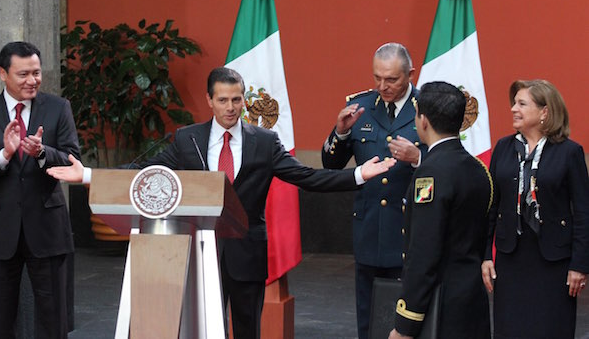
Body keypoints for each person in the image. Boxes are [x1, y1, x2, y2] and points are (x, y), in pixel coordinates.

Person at [47, 66, 396, 339]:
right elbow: (142, 171)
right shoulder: (188, 140)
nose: (231, 108)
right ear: (209, 101)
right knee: (197, 327)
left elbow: (307, 177)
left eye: (237, 100)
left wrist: (359, 174)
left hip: (246, 251)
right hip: (195, 255)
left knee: (246, 329)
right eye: (224, 100)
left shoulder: (264, 142)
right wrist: (88, 175)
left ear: (244, 100)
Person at [0, 41, 80, 339]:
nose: (32, 81)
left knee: (54, 318)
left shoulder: (58, 108)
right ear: (3, 74)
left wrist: (41, 153)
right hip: (0, 232)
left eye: (37, 73)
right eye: (23, 74)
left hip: (47, 229)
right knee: (1, 321)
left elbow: (71, 159)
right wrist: (4, 155)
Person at [321, 42, 426, 339]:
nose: (383, 86)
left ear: (410, 74)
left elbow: (450, 164)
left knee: (408, 318)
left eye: (391, 79)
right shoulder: (362, 106)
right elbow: (331, 163)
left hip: (409, 229)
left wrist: (418, 158)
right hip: (370, 227)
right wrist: (340, 132)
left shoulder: (427, 109)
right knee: (368, 317)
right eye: (377, 78)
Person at [481, 79, 589, 339]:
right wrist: (485, 255)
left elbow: (583, 213)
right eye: (514, 103)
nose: (513, 109)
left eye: (522, 104)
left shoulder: (569, 152)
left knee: (550, 329)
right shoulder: (504, 148)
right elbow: (491, 207)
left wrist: (580, 265)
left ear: (544, 112)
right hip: (511, 259)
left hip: (554, 263)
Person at [389, 81, 493, 339]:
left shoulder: (431, 173)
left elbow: (424, 251)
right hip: (471, 300)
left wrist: (406, 322)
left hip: (439, 305)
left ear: (423, 121)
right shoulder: (479, 169)